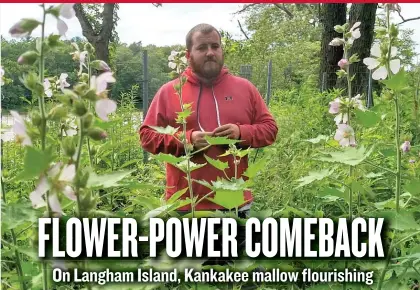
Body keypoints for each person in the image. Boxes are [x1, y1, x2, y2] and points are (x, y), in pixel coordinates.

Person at [139, 23, 278, 217]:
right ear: (188, 55)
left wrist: (241, 133)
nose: (210, 52)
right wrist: (187, 140)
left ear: (221, 50)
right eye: (202, 48)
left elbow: (270, 129)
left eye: (215, 46)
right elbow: (146, 137)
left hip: (235, 203)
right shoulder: (170, 91)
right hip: (186, 205)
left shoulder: (245, 88)